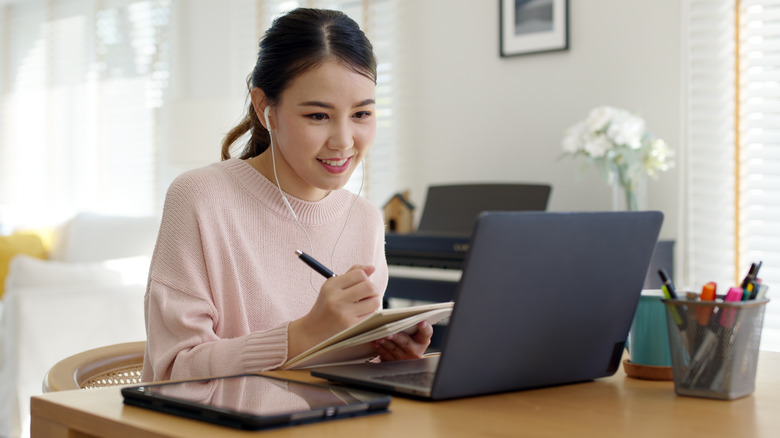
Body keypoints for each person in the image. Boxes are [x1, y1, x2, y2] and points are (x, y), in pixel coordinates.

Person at [141, 8, 433, 382]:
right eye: (317, 116)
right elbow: (172, 370)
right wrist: (303, 335)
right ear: (266, 109)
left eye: (361, 114)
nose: (344, 142)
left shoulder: (364, 218)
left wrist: (389, 361)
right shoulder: (201, 197)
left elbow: (337, 378)